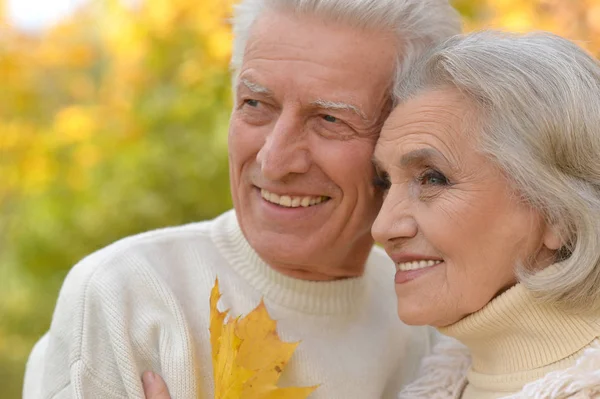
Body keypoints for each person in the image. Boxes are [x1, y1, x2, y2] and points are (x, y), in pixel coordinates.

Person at [23, 0, 461, 398]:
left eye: (329, 118)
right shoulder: (130, 297)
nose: (274, 160)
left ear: (408, 136)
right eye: (256, 104)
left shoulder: (432, 321)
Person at [368, 30, 600, 398]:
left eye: (432, 178)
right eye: (384, 181)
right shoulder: (434, 381)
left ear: (559, 211)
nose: (382, 228)